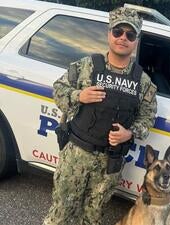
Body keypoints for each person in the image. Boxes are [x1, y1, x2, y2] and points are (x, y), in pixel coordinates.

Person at [43, 7, 157, 225]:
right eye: (118, 32)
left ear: (136, 41)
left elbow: (147, 117)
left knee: (93, 217)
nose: (123, 38)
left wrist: (129, 133)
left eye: (130, 35)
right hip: (76, 155)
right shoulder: (87, 67)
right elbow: (58, 89)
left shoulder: (142, 82)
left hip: (109, 163)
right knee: (61, 215)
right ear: (109, 34)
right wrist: (79, 95)